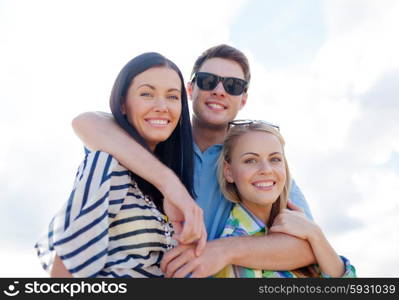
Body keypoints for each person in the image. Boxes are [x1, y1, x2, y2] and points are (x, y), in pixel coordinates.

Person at [71, 44, 316, 278]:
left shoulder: (254, 164)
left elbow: (307, 248)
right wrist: (170, 184)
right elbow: (86, 122)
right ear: (190, 89)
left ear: (243, 99)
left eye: (233, 85)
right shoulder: (154, 138)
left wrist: (224, 250)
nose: (219, 90)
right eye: (208, 81)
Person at [35, 52, 206, 277]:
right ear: (123, 104)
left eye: (173, 97)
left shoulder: (172, 180)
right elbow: (66, 267)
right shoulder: (107, 164)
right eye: (147, 94)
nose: (162, 106)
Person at [214, 120, 356, 278]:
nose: (266, 170)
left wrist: (315, 233)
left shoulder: (300, 226)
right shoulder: (231, 252)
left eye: (275, 159)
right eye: (250, 160)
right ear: (229, 172)